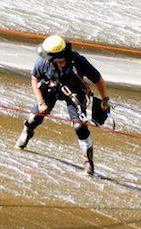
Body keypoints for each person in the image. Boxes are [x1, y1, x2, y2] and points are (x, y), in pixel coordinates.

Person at [15, 34, 111, 176]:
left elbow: (98, 79)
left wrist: (104, 101)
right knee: (35, 118)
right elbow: (34, 78)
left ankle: (88, 162)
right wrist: (41, 102)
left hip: (74, 93)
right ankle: (26, 133)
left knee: (80, 127)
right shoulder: (43, 62)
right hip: (50, 89)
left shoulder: (79, 61)